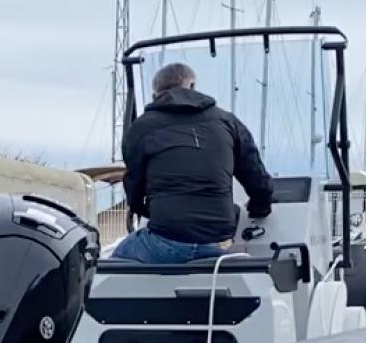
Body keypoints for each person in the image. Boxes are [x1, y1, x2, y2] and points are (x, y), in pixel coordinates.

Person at [114, 62, 276, 264]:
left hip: (165, 240)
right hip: (218, 243)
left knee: (110, 265)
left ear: (155, 95)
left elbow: (134, 189)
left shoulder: (141, 127)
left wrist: (149, 211)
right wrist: (259, 209)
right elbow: (258, 181)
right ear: (192, 85)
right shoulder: (227, 121)